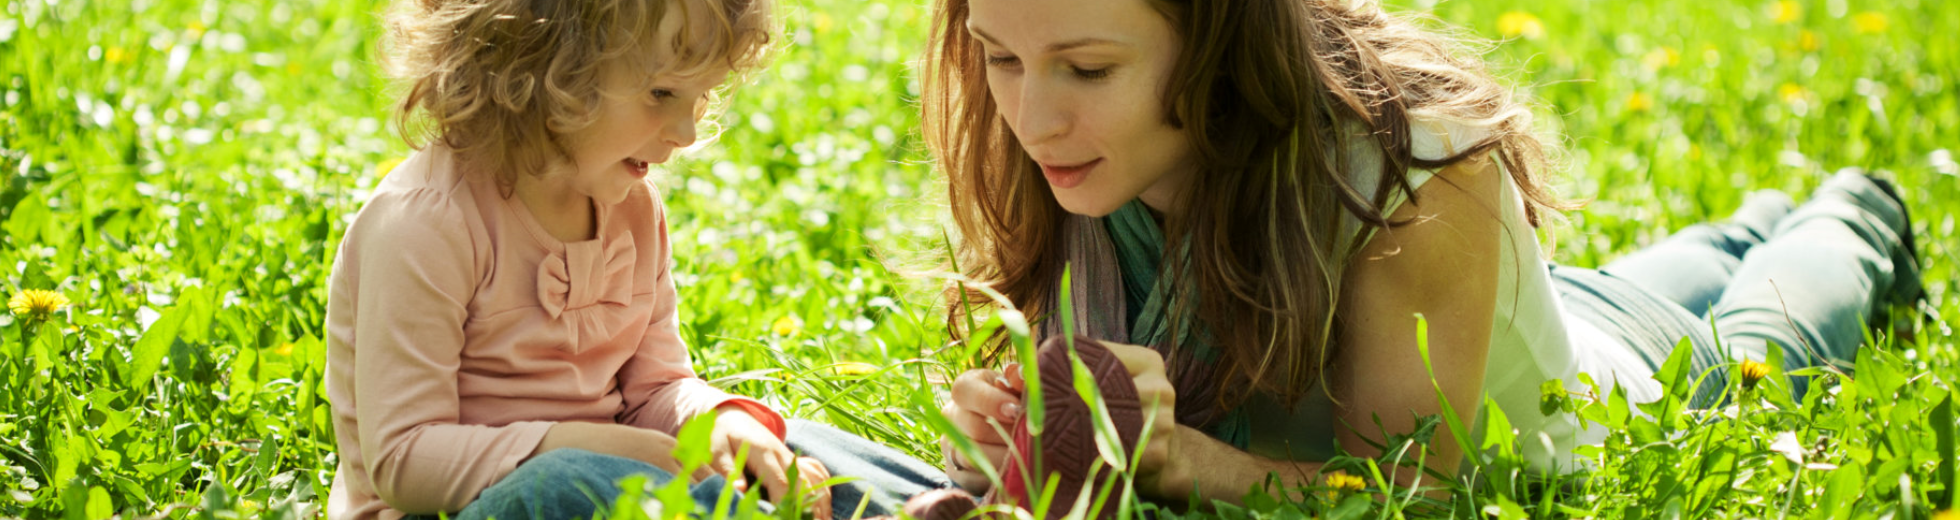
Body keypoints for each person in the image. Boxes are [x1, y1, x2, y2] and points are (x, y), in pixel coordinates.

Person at [923, 0, 1922, 507]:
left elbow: (1422, 492)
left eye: (1087, 68)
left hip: (1600, 393)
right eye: (999, 56)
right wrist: (1010, 433)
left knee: (1758, 337)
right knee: (1662, 273)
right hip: (1516, 314)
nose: (1030, 118)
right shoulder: (1083, 163)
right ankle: (1750, 222)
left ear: (1220, 40)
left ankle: (1856, 209)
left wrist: (1182, 458)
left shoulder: (1413, 173)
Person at [324, 0, 949, 518]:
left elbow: (656, 389)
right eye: (661, 92)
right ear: (540, 65)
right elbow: (402, 461)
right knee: (561, 482)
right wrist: (576, 445)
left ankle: (943, 506)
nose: (686, 132)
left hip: (624, 469)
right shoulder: (426, 224)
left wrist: (714, 421)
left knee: (775, 441)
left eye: (700, 97)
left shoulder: (630, 208)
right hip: (464, 505)